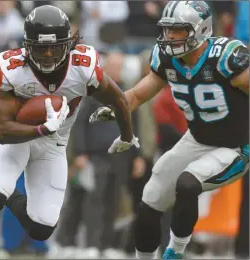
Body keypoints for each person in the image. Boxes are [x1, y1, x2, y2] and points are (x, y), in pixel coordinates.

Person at [0, 5, 139, 250]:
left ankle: (9, 194)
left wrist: (127, 135)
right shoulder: (12, 68)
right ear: (26, 45)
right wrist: (41, 129)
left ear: (68, 44)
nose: (47, 54)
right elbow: (1, 130)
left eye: (54, 47)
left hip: (53, 146)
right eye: (40, 47)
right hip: (17, 138)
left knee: (41, 229)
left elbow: (119, 98)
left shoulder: (83, 66)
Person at [89, 1, 249, 259]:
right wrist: (116, 108)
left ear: (201, 30)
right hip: (196, 140)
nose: (170, 37)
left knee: (187, 183)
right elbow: (139, 94)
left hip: (234, 147)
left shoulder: (226, 59)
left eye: (178, 30)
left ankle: (175, 251)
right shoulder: (167, 60)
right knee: (151, 198)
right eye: (167, 30)